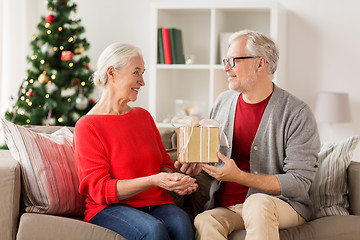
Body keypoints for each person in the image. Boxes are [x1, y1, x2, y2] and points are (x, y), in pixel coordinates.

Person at [175, 30, 321, 240]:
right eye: (226, 60)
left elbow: (299, 182)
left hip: (280, 205)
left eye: (233, 61)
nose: (226, 67)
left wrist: (239, 177)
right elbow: (215, 162)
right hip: (229, 208)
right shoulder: (222, 102)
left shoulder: (296, 113)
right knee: (205, 220)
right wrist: (198, 166)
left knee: (257, 203)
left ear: (260, 64)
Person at [74, 43, 197, 240]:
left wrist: (174, 181)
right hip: (109, 208)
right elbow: (100, 190)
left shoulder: (143, 116)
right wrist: (154, 180)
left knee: (182, 222)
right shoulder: (88, 126)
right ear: (112, 73)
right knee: (153, 230)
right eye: (136, 72)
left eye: (143, 73)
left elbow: (164, 164)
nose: (142, 81)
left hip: (155, 202)